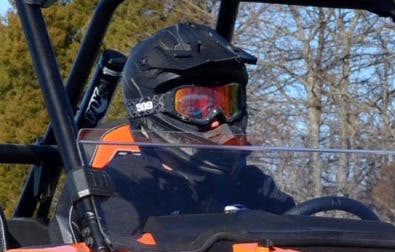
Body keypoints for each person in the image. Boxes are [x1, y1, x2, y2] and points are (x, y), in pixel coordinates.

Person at [62, 22, 294, 236]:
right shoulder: (125, 186)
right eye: (195, 106)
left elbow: (301, 234)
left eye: (227, 103)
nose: (217, 120)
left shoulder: (250, 185)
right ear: (152, 107)